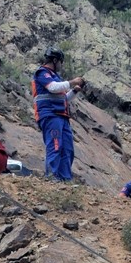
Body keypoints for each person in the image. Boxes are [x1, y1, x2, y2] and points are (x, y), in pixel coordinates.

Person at [31, 46, 85, 182]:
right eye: (60, 61)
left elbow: (63, 98)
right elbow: (53, 88)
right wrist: (72, 82)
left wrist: (75, 91)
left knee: (67, 149)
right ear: (55, 60)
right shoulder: (42, 72)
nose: (61, 65)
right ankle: (51, 178)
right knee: (55, 145)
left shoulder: (55, 77)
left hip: (61, 116)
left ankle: (65, 180)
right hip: (50, 115)